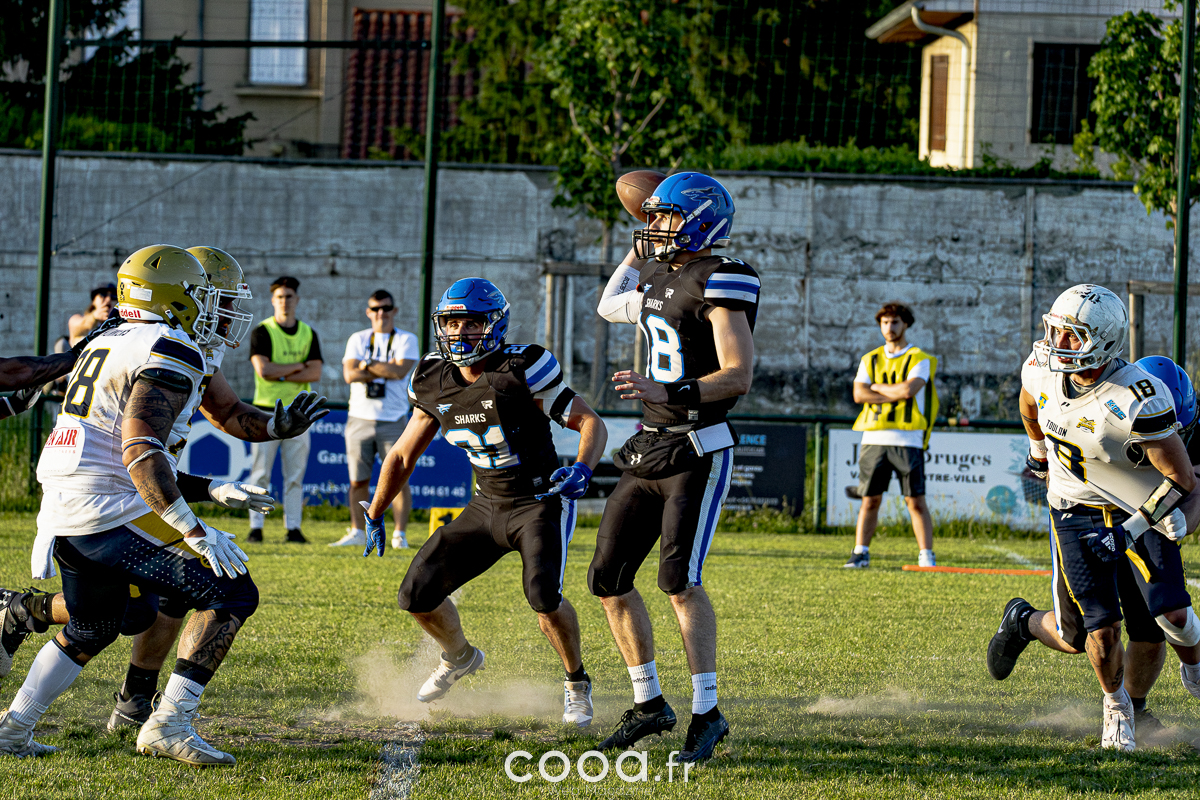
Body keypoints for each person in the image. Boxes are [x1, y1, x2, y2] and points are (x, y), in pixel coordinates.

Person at [0, 247, 328, 735]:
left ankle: (16, 723)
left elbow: (221, 414)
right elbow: (139, 450)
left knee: (107, 620)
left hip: (80, 496)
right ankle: (165, 722)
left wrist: (236, 465)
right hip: (111, 501)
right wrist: (193, 528)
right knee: (228, 589)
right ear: (182, 298)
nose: (225, 314)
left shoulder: (126, 337)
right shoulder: (169, 345)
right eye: (216, 301)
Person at [362, 278, 607, 727]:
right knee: (416, 594)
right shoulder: (432, 378)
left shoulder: (521, 368)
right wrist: (375, 511)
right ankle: (458, 656)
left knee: (543, 596)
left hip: (538, 501)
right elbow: (401, 455)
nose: (460, 332)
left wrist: (583, 468)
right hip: (485, 504)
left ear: (494, 325)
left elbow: (589, 421)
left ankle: (576, 683)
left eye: (472, 322)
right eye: (452, 322)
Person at [985, 284, 1199, 752]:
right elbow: (1029, 402)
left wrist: (1141, 527)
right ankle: (1023, 621)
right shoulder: (1040, 368)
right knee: (1080, 633)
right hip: (1074, 506)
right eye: (1056, 331)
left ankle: (1133, 709)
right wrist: (1037, 451)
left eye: (1072, 335)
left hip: (1135, 508)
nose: (1057, 343)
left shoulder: (1136, 397)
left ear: (1104, 340)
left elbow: (1183, 479)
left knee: (1155, 624)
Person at [589, 172, 758, 762]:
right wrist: (636, 254)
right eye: (652, 216)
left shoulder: (722, 275)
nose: (653, 226)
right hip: (650, 445)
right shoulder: (660, 274)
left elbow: (737, 374)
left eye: (664, 217)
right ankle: (649, 704)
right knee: (608, 579)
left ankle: (707, 713)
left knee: (679, 583)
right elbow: (608, 304)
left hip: (697, 446)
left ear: (701, 221)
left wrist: (667, 388)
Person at [844, 302, 939, 569]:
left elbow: (908, 391)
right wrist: (891, 391)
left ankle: (926, 556)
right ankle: (860, 553)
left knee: (915, 500)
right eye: (885, 322)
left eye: (895, 322)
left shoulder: (919, 357)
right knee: (870, 499)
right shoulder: (870, 358)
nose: (889, 327)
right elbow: (858, 394)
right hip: (874, 438)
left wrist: (875, 387)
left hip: (908, 438)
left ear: (905, 324)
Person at [331, 290, 419, 549]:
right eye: (376, 308)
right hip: (359, 418)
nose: (382, 313)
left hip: (393, 419)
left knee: (398, 480)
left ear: (394, 311)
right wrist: (383, 368)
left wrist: (365, 365)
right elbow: (349, 375)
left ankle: (399, 535)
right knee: (358, 480)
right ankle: (358, 531)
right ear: (368, 312)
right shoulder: (357, 338)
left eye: (386, 308)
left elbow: (400, 371)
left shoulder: (406, 339)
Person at [247, 276, 324, 543]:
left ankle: (293, 528)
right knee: (260, 473)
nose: (284, 301)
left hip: (298, 415)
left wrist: (280, 372)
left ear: (297, 299)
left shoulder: (308, 333)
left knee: (295, 476)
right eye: (280, 297)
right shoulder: (262, 331)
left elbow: (315, 372)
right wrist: (298, 367)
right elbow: (264, 370)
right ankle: (256, 527)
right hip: (265, 412)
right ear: (273, 300)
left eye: (289, 296)